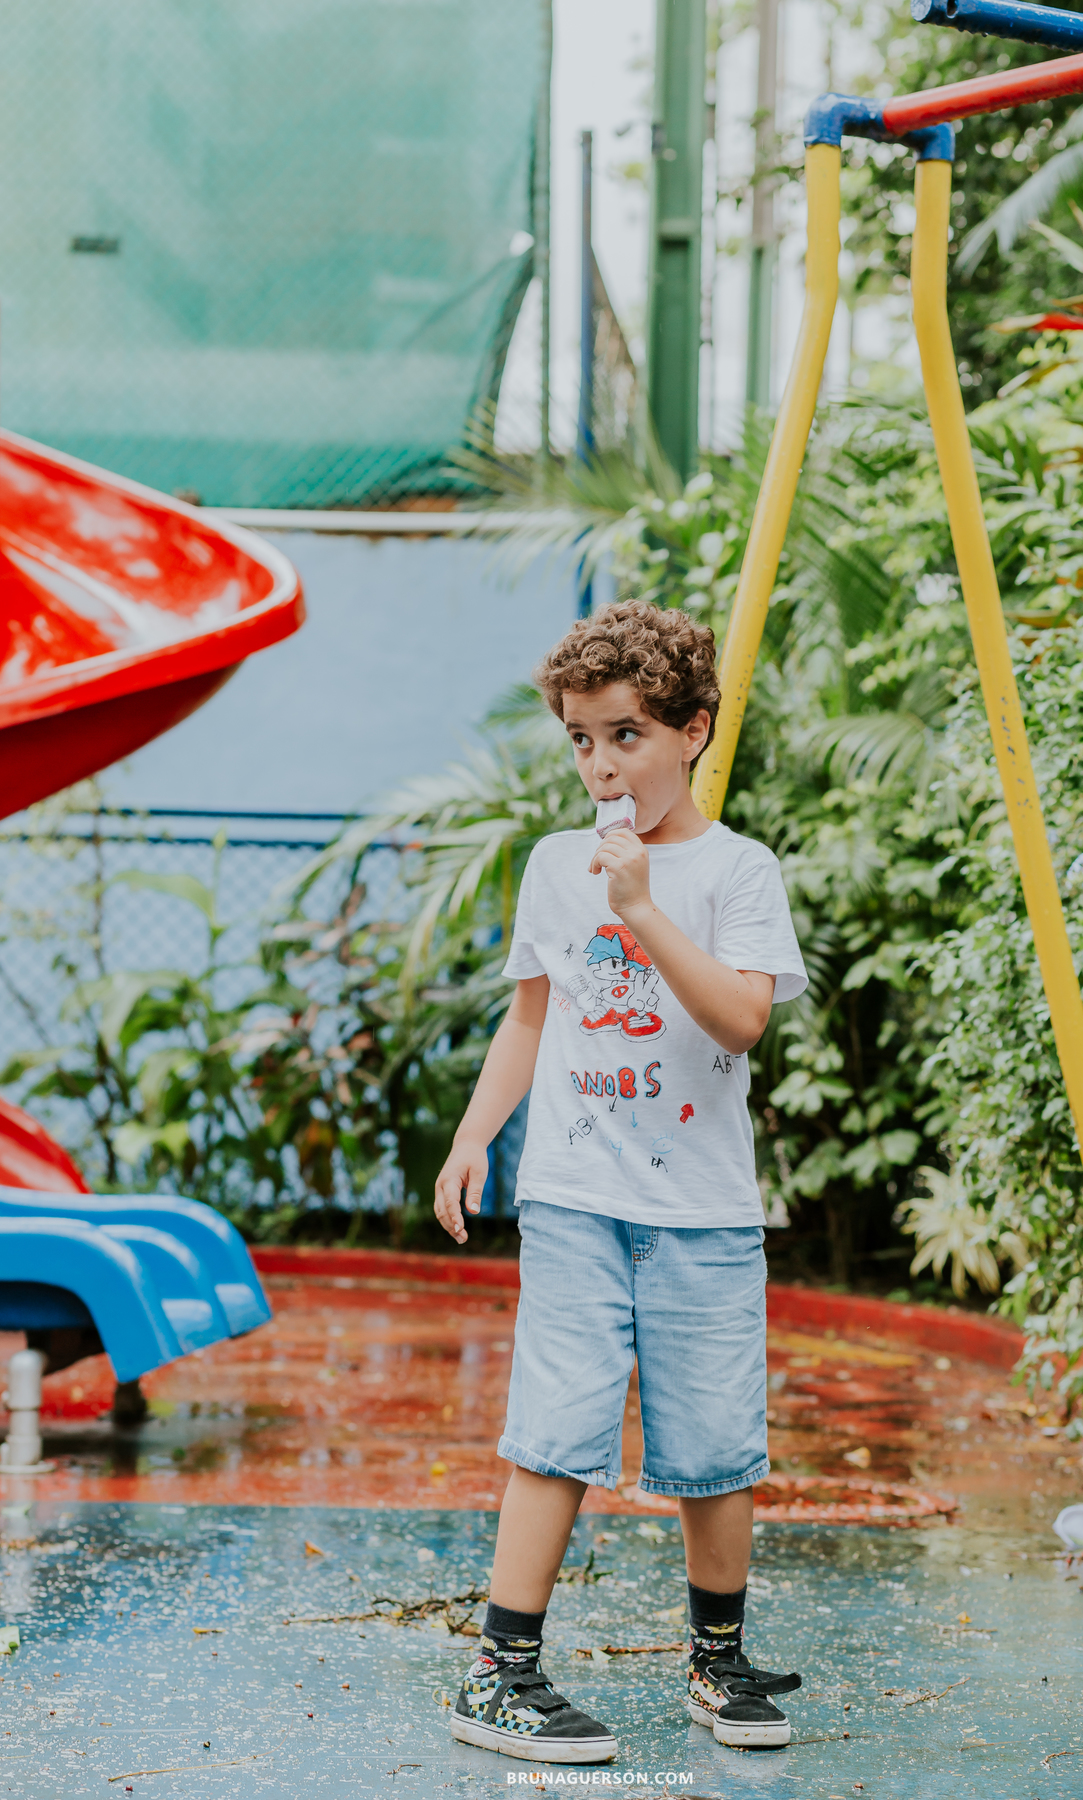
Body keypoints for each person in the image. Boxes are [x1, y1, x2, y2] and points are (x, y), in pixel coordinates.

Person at [433, 600, 807, 1764]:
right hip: (576, 1198)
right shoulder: (556, 869)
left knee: (714, 1442)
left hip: (700, 1211)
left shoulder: (737, 872)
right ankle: (499, 1671)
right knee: (556, 1427)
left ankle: (718, 1660)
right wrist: (472, 1134)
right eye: (583, 740)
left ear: (692, 730)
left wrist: (642, 906)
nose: (601, 765)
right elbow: (532, 1015)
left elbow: (742, 1019)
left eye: (626, 735)